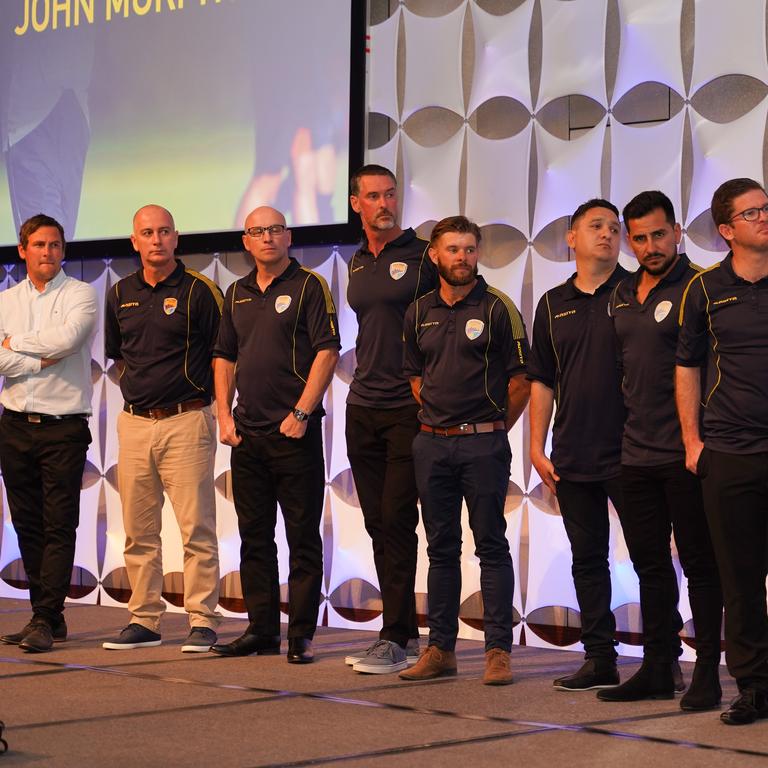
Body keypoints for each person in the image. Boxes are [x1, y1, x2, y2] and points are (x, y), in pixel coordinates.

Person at [599, 191, 723, 708]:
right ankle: (658, 666)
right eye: (640, 237)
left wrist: (703, 440)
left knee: (701, 565)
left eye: (659, 234)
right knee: (649, 566)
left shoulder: (702, 286)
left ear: (676, 230)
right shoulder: (622, 292)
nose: (650, 245)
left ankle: (708, 675)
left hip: (688, 452)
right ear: (630, 239)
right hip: (635, 453)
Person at [399, 215, 530, 685]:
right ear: (434, 255)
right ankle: (440, 650)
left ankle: (498, 651)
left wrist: (490, 429)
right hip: (431, 445)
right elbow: (416, 377)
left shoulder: (498, 307)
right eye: (453, 249)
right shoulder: (418, 311)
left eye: (470, 249)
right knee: (440, 550)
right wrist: (442, 421)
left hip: (484, 445)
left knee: (491, 546)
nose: (462, 257)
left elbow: (520, 382)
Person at [210, 206, 339, 664]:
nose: (267, 237)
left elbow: (328, 351)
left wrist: (302, 412)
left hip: (294, 435)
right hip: (247, 436)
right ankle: (262, 630)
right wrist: (224, 416)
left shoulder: (308, 286)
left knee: (303, 537)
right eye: (257, 231)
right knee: (254, 538)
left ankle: (300, 635)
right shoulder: (236, 292)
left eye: (275, 229)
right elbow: (224, 356)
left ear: (288, 237)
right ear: (246, 241)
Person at [103, 205, 223, 652]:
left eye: (165, 232)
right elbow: (118, 356)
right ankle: (145, 619)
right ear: (135, 241)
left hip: (187, 420)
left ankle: (203, 619)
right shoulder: (119, 293)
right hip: (134, 424)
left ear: (177, 238)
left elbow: (223, 356)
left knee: (197, 529)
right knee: (139, 531)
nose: (156, 240)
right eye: (147, 233)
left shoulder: (201, 291)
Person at [528, 199, 631, 691]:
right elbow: (542, 380)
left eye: (615, 228)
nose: (608, 234)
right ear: (572, 238)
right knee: (587, 560)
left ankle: (663, 657)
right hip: (572, 453)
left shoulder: (637, 292)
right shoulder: (551, 303)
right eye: (596, 226)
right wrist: (536, 447)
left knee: (653, 561)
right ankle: (599, 657)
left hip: (637, 451)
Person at [677, 177, 768, 725]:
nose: (764, 217)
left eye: (767, 208)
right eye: (753, 212)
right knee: (741, 577)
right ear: (728, 230)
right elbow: (686, 367)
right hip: (730, 452)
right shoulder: (704, 290)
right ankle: (754, 687)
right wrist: (693, 443)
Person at [344, 164, 437, 674]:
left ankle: (398, 636)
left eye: (391, 194)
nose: (384, 204)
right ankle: (397, 632)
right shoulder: (357, 261)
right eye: (373, 196)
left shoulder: (423, 256)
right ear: (356, 203)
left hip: (408, 407)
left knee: (400, 520)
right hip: (363, 407)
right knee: (378, 522)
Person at [0, 214, 96, 652]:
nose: (48, 252)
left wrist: (16, 344)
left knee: (59, 523)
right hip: (14, 425)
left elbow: (69, 340)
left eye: (55, 245)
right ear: (23, 250)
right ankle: (48, 615)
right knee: (27, 524)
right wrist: (39, 357)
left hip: (64, 428)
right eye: (39, 245)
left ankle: (43, 617)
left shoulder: (81, 294)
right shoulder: (6, 300)